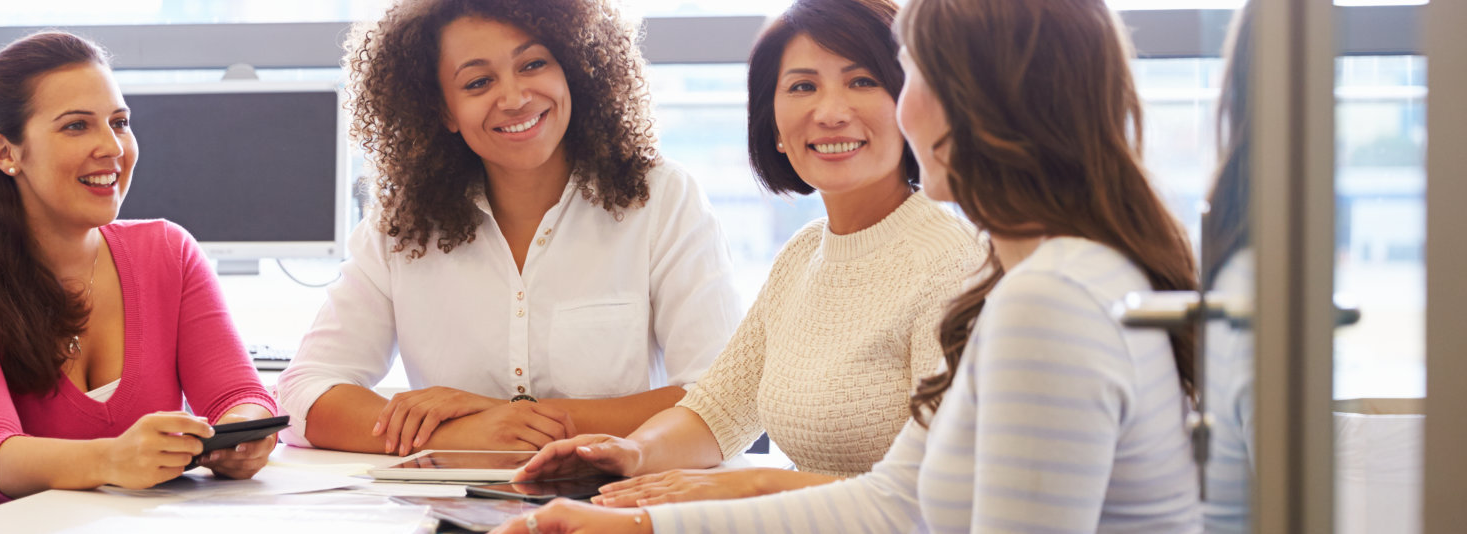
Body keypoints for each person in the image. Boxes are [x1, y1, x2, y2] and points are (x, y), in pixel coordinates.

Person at [494, 0, 1204, 531]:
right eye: (801, 88)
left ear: (977, 103)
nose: (854, 109)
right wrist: (639, 523)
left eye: (902, 75)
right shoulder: (1033, 282)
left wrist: (722, 496)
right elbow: (896, 498)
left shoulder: (1046, 298)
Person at [510, 0, 984, 507]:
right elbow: (716, 412)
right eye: (802, 87)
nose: (830, 112)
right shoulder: (804, 255)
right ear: (775, 127)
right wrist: (630, 452)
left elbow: (943, 490)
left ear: (913, 102)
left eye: (862, 81)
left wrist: (756, 484)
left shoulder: (951, 264)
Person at [274, 0, 744, 456]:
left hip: (617, 504)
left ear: (573, 69)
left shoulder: (660, 198)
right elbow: (303, 394)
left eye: (533, 64)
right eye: (478, 82)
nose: (515, 98)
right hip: (449, 508)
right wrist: (461, 435)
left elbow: (721, 399)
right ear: (444, 112)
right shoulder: (403, 225)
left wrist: (512, 418)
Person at [0, 32, 279, 533]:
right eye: (75, 126)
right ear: (6, 152)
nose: (111, 148)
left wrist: (242, 436)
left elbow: (237, 395)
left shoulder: (169, 253)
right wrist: (113, 460)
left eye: (120, 123)